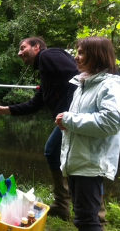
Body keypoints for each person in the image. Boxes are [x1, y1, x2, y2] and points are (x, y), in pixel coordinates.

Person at [0, 37, 78, 221]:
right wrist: (4, 110)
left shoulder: (47, 55)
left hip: (74, 118)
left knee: (56, 153)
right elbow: (35, 104)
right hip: (69, 119)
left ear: (37, 47)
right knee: (54, 152)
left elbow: (76, 76)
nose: (20, 53)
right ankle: (64, 205)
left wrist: (70, 113)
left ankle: (77, 208)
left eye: (23, 48)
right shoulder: (46, 71)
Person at [55, 37, 120, 231]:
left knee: (87, 220)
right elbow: (85, 119)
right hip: (78, 162)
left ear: (97, 56)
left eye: (82, 52)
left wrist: (69, 120)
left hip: (90, 164)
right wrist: (68, 123)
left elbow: (111, 122)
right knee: (84, 216)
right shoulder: (83, 84)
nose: (76, 57)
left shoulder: (109, 85)